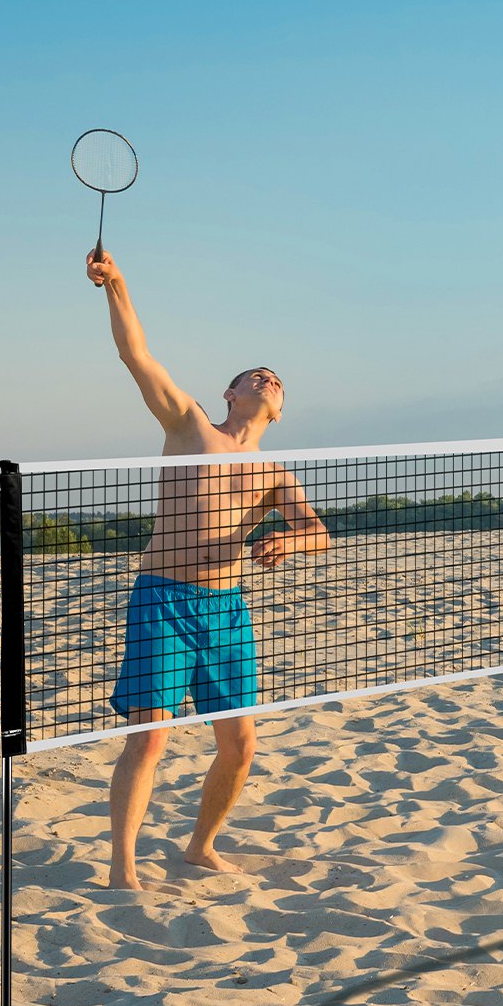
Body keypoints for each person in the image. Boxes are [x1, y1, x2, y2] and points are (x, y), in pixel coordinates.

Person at [86, 248, 329, 889]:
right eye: (255, 376)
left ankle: (199, 847)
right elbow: (136, 355)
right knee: (149, 739)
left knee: (241, 745)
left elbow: (319, 534)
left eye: (276, 381)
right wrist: (117, 283)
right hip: (163, 598)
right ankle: (122, 870)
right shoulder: (189, 425)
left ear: (280, 411)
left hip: (226, 609)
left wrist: (291, 542)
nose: (267, 379)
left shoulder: (274, 473)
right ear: (231, 392)